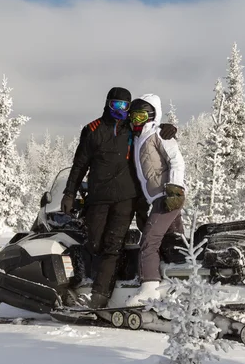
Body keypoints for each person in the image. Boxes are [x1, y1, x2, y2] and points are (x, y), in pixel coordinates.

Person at [61, 87, 177, 309]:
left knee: (113, 246)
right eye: (117, 105)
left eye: (125, 106)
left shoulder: (131, 129)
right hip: (98, 198)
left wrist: (166, 128)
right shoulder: (93, 130)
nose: (121, 110)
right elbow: (79, 165)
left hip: (126, 198)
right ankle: (87, 284)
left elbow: (151, 129)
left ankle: (100, 297)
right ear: (108, 104)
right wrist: (69, 192)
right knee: (94, 243)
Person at [125, 93, 185, 307]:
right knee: (175, 241)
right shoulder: (138, 136)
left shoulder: (159, 134)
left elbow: (176, 161)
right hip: (157, 198)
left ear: (152, 116)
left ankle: (149, 287)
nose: (136, 120)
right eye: (134, 116)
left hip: (167, 196)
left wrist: (175, 190)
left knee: (149, 241)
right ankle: (180, 283)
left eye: (141, 116)